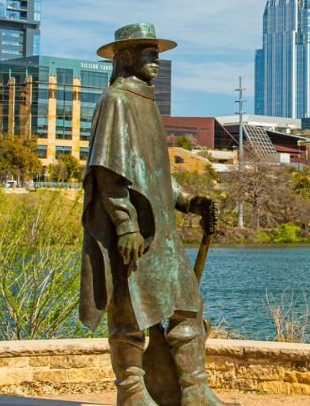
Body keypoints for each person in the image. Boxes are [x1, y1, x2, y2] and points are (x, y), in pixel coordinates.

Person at [80, 23, 221, 406]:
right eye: (148, 54)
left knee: (187, 308)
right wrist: (125, 225)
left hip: (163, 232)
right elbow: (108, 172)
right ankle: (131, 392)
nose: (156, 61)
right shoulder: (116, 101)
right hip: (134, 234)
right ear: (125, 58)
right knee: (128, 316)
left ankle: (194, 391)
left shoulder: (146, 101)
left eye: (157, 54)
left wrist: (188, 201)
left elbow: (156, 174)